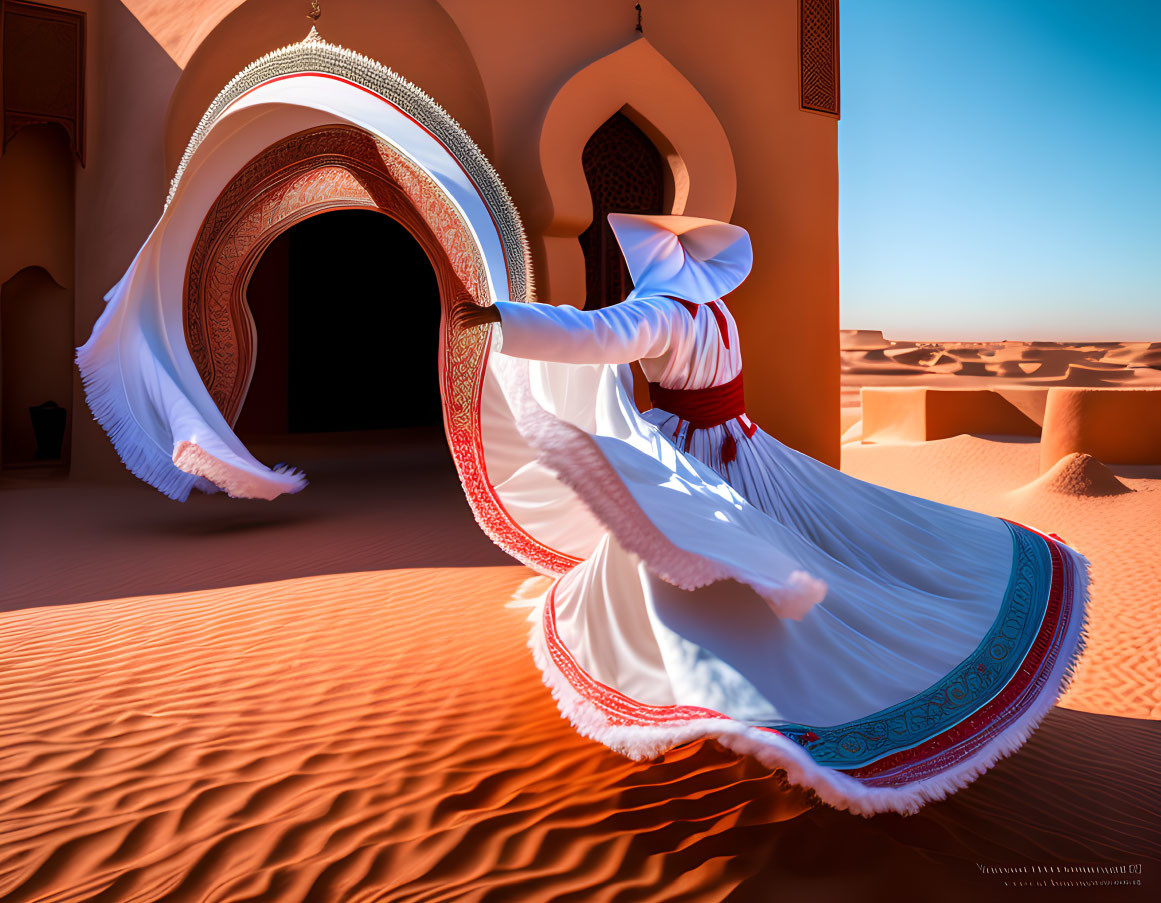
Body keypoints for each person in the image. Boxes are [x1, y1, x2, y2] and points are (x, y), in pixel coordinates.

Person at [451, 213, 1090, 817]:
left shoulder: (660, 315)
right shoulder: (717, 313)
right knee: (771, 552)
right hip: (745, 439)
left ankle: (741, 697)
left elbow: (595, 337)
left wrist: (501, 319)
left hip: (696, 451)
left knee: (690, 561)